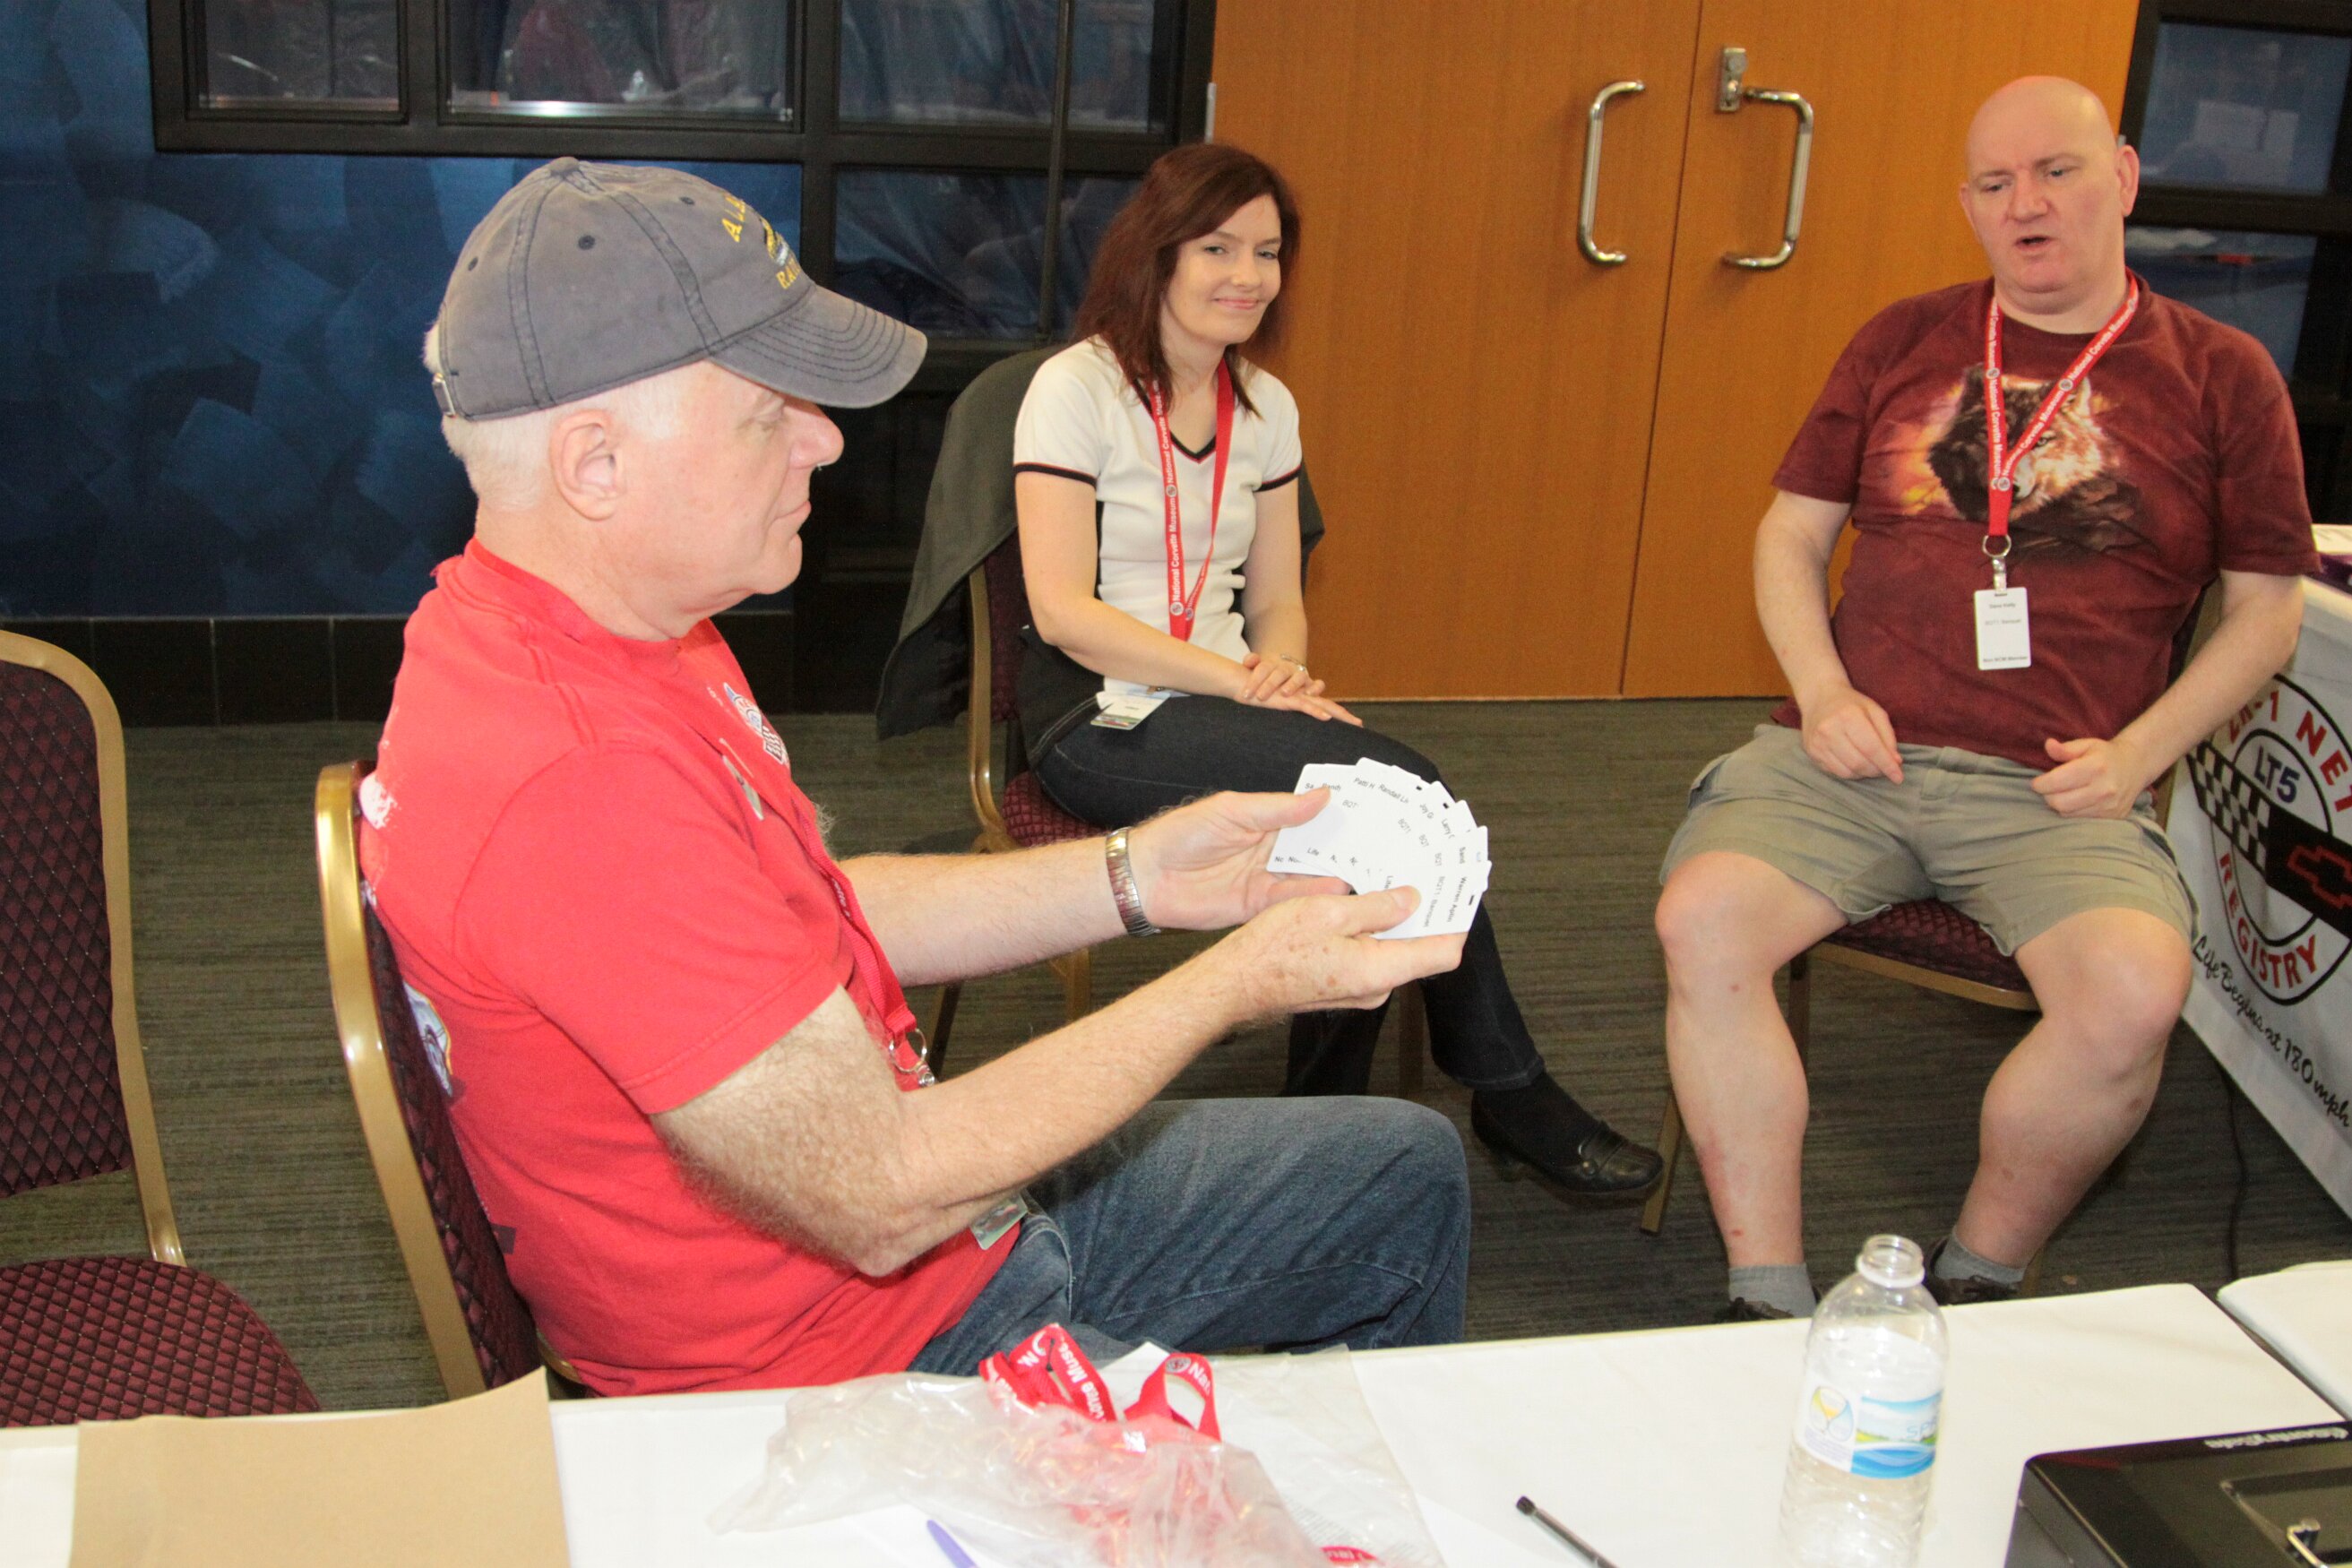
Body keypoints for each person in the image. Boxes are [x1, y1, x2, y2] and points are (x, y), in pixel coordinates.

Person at [358, 158, 1474, 1397]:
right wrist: (1236, 982)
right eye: (768, 410)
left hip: (930, 1237)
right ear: (595, 463)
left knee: (1406, 1171)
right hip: (851, 1366)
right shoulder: (578, 782)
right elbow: (883, 1192)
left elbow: (801, 909)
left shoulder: (590, 631)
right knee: (1289, 1472)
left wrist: (1138, 874)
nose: (824, 439)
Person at [1652, 78, 2313, 1320]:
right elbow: (1789, 535)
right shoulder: (1902, 337)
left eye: (2057, 171)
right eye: (1997, 183)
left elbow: (2267, 609)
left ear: (2123, 178)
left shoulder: (2223, 376)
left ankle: (1972, 1277)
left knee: (2130, 994)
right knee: (1705, 921)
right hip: (1852, 756)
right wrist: (1821, 689)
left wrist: (2139, 755)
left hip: (2060, 788)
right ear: (1968, 205)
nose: (2026, 204)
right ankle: (1764, 1292)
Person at [1011, 142, 1663, 1199]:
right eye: (1218, 248)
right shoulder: (1073, 388)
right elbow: (1062, 612)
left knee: (1367, 824)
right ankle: (1504, 1090)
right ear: (1156, 254)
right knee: (1402, 789)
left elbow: (1277, 599)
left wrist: (1282, 677)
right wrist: (1240, 685)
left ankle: (1325, 1123)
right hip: (1099, 715)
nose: (1247, 275)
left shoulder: (1265, 406)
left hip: (1224, 700)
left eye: (1267, 253)